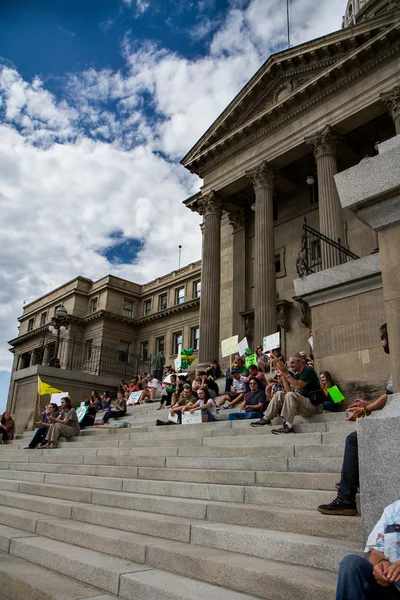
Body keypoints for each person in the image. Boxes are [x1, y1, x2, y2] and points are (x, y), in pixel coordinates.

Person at [318, 323, 391, 516]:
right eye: (321, 378)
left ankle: (347, 495)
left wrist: (326, 397)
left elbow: (338, 402)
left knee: (349, 434)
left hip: (328, 408)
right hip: (322, 407)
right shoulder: (321, 389)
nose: (322, 379)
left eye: (324, 377)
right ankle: (352, 482)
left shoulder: (332, 388)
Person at [336, 499, 400, 600]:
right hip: (393, 586)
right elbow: (375, 551)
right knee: (351, 564)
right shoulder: (393, 510)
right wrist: (381, 563)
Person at [251, 353, 322, 433]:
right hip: (302, 405)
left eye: (293, 363)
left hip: (313, 405)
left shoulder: (308, 371)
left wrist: (286, 373)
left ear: (301, 362)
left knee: (290, 395)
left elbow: (298, 386)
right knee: (279, 393)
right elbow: (290, 392)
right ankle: (266, 418)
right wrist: (283, 375)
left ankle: (288, 426)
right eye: (290, 363)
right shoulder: (296, 374)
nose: (290, 365)